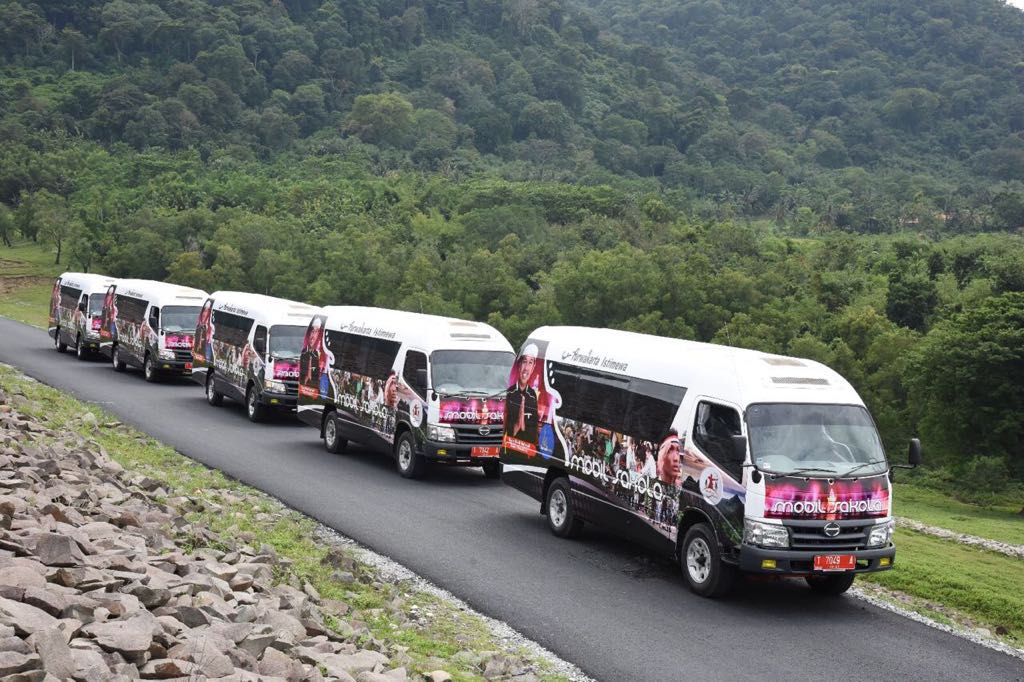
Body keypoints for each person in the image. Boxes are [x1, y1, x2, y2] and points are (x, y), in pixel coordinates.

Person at [506, 343, 539, 444]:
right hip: (510, 446)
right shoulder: (509, 393)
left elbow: (533, 430)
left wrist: (523, 424)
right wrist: (518, 422)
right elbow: (505, 429)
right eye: (524, 362)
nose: (526, 368)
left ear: (533, 367)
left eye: (530, 363)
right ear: (519, 365)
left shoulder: (533, 396)